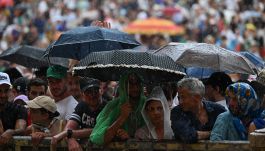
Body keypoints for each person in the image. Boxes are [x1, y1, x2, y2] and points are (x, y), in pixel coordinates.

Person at [90, 72, 146, 145]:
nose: (135, 88)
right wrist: (122, 118)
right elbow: (97, 138)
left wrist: (131, 138)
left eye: (137, 84)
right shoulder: (113, 106)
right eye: (130, 85)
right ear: (123, 86)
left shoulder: (148, 104)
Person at [51, 78, 106, 150]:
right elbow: (68, 128)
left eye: (95, 91)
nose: (92, 95)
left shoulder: (107, 106)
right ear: (82, 94)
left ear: (101, 91)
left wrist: (68, 134)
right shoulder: (82, 105)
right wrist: (71, 140)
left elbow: (99, 131)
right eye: (88, 92)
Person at [171, 78, 226, 143]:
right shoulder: (177, 112)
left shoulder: (218, 110)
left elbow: (227, 132)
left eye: (183, 97)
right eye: (179, 97)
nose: (180, 102)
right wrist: (214, 133)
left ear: (197, 97)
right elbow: (188, 136)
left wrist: (200, 134)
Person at [0, 72, 27, 145]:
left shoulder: (19, 108)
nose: (3, 95)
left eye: (6, 90)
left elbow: (21, 129)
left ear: (10, 90)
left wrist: (11, 132)